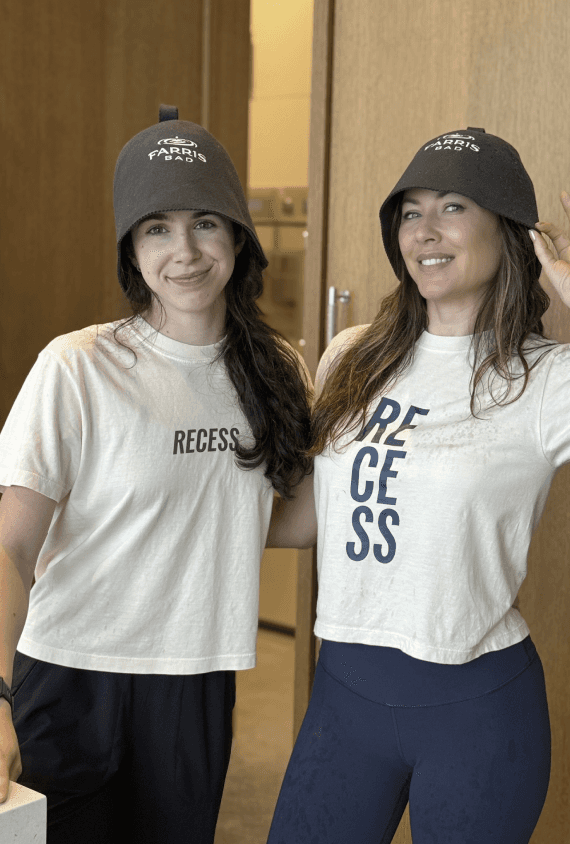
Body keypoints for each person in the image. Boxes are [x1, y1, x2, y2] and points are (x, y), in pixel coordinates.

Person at [265, 127, 570, 843]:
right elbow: (319, 514)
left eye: (454, 207)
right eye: (410, 211)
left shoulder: (547, 378)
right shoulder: (354, 354)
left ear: (509, 232)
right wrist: (168, 519)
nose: (425, 231)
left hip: (477, 711)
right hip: (345, 693)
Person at [0, 105, 311, 844]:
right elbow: (12, 547)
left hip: (196, 678)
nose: (185, 251)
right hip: (71, 671)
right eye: (157, 228)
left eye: (205, 222)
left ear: (238, 233)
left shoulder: (277, 372)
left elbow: (283, 521)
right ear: (131, 250)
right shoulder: (78, 366)